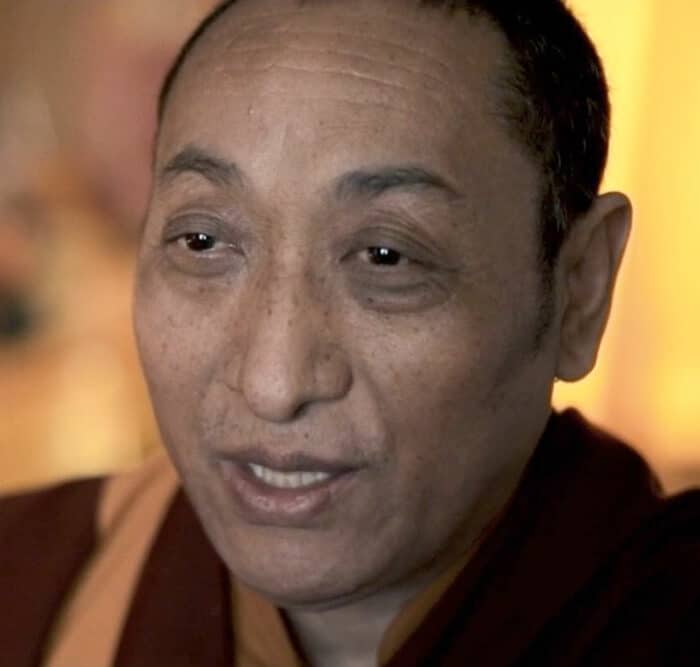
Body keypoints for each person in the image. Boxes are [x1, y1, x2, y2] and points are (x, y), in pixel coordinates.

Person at [2, 1, 699, 665]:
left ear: (580, 288)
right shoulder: (33, 580)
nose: (274, 384)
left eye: (386, 256)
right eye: (203, 240)